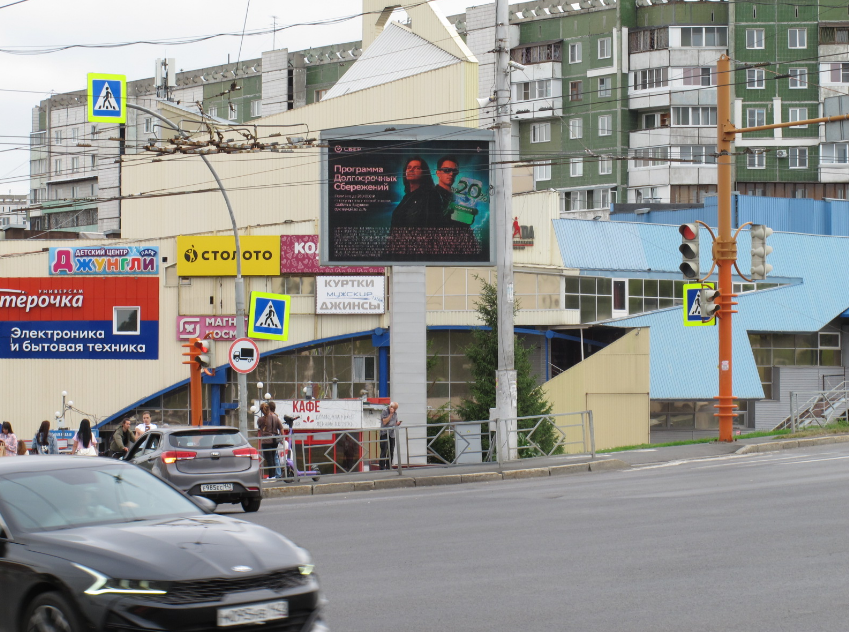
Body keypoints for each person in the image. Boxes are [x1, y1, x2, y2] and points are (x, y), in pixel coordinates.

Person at [258, 403, 283, 479]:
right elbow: (281, 428)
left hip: (266, 441)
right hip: (274, 441)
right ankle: (275, 475)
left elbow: (260, 427)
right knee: (273, 457)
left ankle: (272, 476)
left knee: (269, 459)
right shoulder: (275, 418)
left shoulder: (260, 419)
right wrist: (282, 438)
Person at [379, 402, 401, 471]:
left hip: (392, 434)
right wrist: (391, 414)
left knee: (391, 450)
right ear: (391, 407)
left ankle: (389, 466)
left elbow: (394, 422)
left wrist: (397, 424)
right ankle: (382, 467)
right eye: (394, 408)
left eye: (396, 409)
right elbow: (384, 422)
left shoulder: (395, 413)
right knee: (384, 450)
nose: (395, 410)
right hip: (384, 433)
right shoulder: (385, 412)